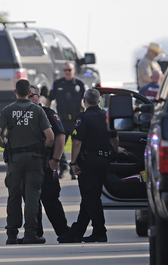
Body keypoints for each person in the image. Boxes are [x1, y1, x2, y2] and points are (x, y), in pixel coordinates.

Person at [57, 89, 126, 244]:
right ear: (99, 101)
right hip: (104, 161)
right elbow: (114, 137)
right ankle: (76, 233)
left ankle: (100, 232)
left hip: (88, 162)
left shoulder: (83, 118)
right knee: (90, 197)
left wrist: (73, 162)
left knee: (91, 197)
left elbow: (77, 143)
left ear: (84, 100)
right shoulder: (107, 116)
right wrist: (117, 149)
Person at [0, 79, 54, 245]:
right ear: (30, 93)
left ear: (15, 92)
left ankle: (12, 234)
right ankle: (31, 234)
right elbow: (51, 137)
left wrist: (4, 146)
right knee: (32, 195)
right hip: (34, 158)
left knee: (14, 196)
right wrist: (44, 149)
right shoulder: (38, 111)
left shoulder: (7, 110)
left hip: (15, 160)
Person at [28, 84, 71, 239]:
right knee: (32, 201)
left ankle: (63, 232)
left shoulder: (48, 113)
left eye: (32, 95)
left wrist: (56, 159)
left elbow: (60, 136)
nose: (29, 98)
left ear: (38, 97)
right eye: (27, 95)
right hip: (28, 166)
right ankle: (35, 234)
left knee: (50, 198)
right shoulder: (20, 115)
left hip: (46, 164)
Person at [47, 61, 86, 179]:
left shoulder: (80, 84)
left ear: (74, 70)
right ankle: (63, 167)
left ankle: (75, 168)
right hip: (62, 120)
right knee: (58, 143)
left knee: (77, 143)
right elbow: (49, 99)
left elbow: (87, 99)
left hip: (76, 120)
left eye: (69, 70)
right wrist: (44, 113)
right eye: (65, 70)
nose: (67, 72)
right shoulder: (58, 83)